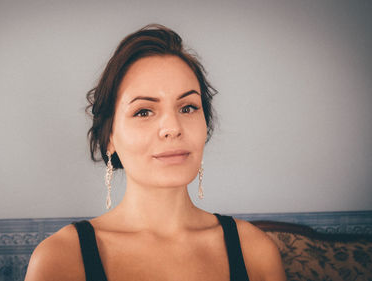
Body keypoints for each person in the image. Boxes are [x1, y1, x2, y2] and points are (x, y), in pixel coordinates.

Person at [24, 24, 286, 281]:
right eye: (143, 111)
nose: (172, 128)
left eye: (188, 108)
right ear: (109, 137)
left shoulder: (255, 251)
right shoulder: (60, 259)